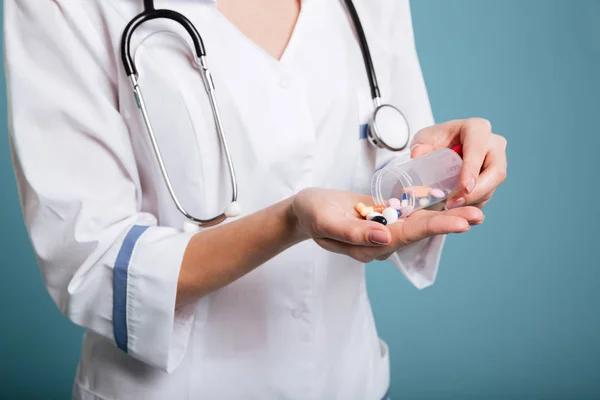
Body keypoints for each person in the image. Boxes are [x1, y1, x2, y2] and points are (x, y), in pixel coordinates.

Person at [4, 0, 507, 399]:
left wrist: (448, 169)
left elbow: (394, 177)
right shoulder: (63, 6)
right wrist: (289, 222)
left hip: (349, 380)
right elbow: (92, 260)